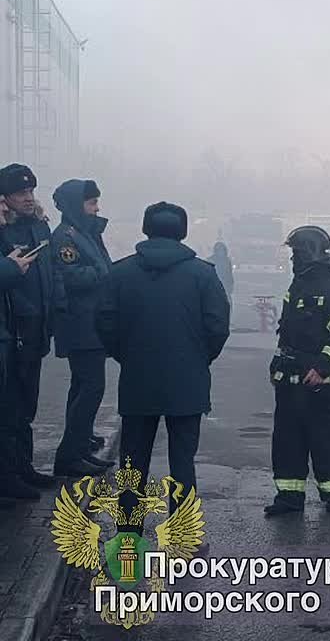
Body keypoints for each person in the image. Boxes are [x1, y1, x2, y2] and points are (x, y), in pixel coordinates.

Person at [95, 202, 230, 513]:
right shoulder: (203, 275)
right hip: (188, 381)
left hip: (137, 378)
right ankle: (183, 538)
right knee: (182, 461)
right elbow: (217, 326)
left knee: (132, 461)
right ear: (182, 232)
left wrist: (126, 355)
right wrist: (199, 358)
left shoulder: (119, 273)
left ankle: (129, 534)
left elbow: (104, 322)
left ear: (146, 229)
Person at [265, 226, 330, 516]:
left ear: (311, 253)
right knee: (287, 441)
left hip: (322, 384)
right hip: (291, 381)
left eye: (296, 253)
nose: (293, 259)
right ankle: (289, 498)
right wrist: (279, 363)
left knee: (324, 441)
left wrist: (322, 367)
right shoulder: (297, 286)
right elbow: (288, 332)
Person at [50, 180, 115, 477]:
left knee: (82, 387)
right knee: (91, 388)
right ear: (77, 205)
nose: (97, 208)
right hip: (80, 324)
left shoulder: (85, 234)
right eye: (91, 203)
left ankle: (80, 446)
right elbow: (71, 276)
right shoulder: (65, 236)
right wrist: (104, 273)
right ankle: (69, 454)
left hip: (91, 323)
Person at [0, 163, 59, 492]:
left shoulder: (39, 226)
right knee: (10, 407)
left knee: (27, 405)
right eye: (21, 192)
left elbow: (51, 275)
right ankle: (9, 476)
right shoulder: (3, 229)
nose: (28, 197)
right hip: (13, 330)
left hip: (37, 328)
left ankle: (23, 466)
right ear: (5, 197)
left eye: (31, 191)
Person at [0, 209, 37, 502]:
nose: (3, 209)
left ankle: (14, 472)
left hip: (14, 333)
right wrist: (10, 269)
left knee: (15, 407)